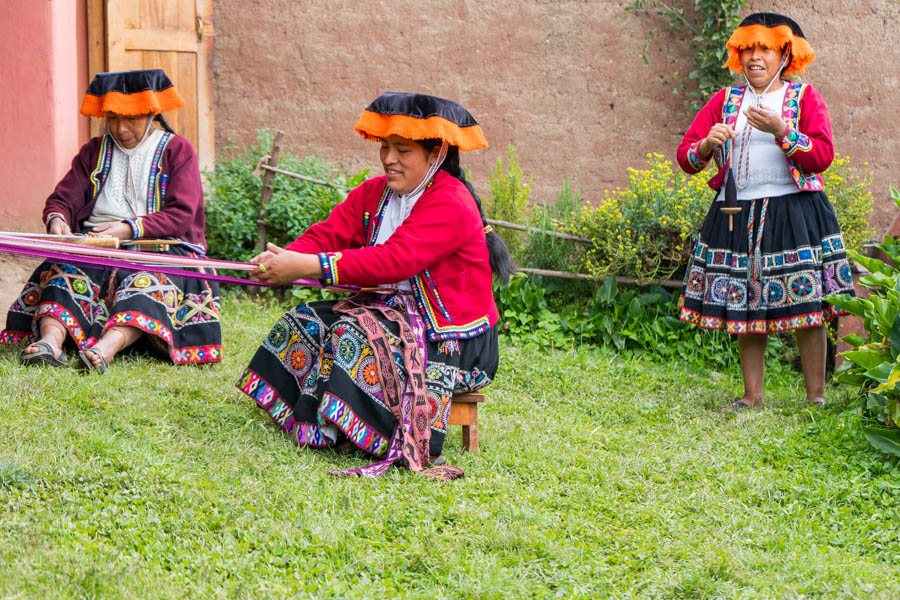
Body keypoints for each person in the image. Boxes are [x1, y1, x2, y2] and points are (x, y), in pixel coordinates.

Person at [237, 92, 512, 479]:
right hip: (388, 314)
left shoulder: (452, 202)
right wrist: (285, 258)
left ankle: (347, 428)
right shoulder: (373, 193)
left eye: (403, 150)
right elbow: (328, 234)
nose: (388, 158)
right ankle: (315, 421)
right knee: (305, 319)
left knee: (353, 332)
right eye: (385, 147)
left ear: (434, 155)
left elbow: (394, 260)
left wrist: (310, 267)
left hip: (451, 341)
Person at [676, 13, 855, 410]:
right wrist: (707, 145)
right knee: (745, 302)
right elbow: (687, 156)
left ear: (786, 54)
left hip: (795, 210)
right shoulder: (725, 101)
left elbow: (822, 155)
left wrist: (782, 131)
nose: (754, 58)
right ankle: (751, 397)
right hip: (736, 213)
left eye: (765, 49)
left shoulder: (804, 97)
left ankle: (816, 397)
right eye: (747, 49)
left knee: (805, 306)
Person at [1, 69, 222, 372]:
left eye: (131, 118)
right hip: (96, 245)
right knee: (65, 275)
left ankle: (105, 349)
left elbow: (181, 214)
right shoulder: (94, 151)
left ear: (151, 113)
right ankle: (50, 343)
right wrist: (58, 222)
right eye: (114, 118)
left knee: (147, 285)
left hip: (160, 248)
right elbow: (62, 199)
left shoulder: (177, 150)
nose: (120, 128)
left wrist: (129, 228)